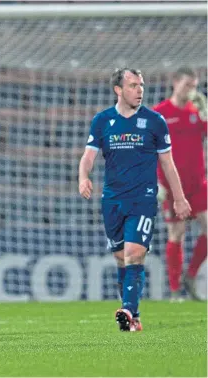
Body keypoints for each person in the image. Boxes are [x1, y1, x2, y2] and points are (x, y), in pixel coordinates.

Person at [78, 68, 191, 332]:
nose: (139, 90)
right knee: (121, 258)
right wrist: (83, 177)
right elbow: (88, 156)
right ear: (118, 90)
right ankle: (134, 317)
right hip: (112, 200)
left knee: (134, 254)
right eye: (133, 85)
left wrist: (179, 198)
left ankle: (127, 309)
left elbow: (168, 163)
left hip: (143, 199)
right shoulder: (103, 121)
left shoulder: (155, 121)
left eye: (141, 85)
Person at [154, 67, 207, 301]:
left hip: (197, 183)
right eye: (187, 85)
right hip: (173, 186)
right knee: (177, 233)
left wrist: (206, 113)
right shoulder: (160, 114)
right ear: (175, 82)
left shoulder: (197, 112)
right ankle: (175, 291)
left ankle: (191, 275)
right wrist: (157, 183)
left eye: (194, 86)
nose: (191, 90)